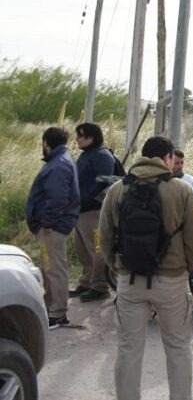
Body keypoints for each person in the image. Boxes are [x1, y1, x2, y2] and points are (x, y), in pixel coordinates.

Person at [98, 135, 193, 400]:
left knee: (128, 349)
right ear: (168, 158)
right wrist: (184, 268)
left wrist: (117, 266)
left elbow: (105, 236)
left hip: (130, 279)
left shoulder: (118, 189)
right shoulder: (182, 190)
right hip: (171, 280)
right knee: (178, 348)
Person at [25, 126, 81, 328]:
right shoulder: (61, 160)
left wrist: (47, 223)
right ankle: (51, 308)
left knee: (54, 269)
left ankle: (57, 313)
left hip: (52, 228)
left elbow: (57, 198)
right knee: (49, 268)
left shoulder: (59, 164)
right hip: (52, 226)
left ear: (46, 143)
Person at [71, 122, 120, 302]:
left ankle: (100, 286)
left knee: (97, 249)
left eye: (80, 136)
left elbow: (103, 183)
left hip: (93, 211)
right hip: (80, 210)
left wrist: (86, 200)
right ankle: (86, 282)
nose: (77, 139)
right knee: (82, 248)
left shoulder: (102, 155)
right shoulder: (87, 155)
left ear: (91, 137)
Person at [171, 149, 193, 215]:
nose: (180, 166)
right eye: (177, 163)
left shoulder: (192, 182)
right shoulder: (162, 182)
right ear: (169, 162)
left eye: (182, 162)